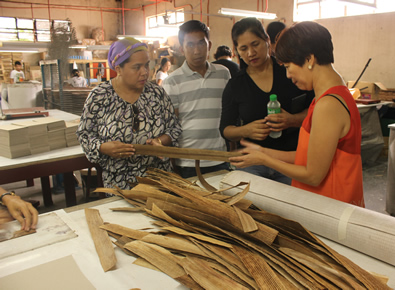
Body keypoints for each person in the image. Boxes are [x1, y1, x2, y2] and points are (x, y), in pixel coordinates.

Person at [229, 21, 364, 206]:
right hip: (325, 204)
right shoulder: (330, 96)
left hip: (329, 207)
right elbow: (308, 156)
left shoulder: (328, 105)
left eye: (287, 66)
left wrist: (265, 159)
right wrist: (262, 151)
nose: (287, 75)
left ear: (309, 59)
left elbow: (313, 175)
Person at [77, 37, 182, 189]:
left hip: (158, 180)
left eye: (147, 65)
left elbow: (174, 128)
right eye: (137, 67)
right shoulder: (99, 96)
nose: (145, 72)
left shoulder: (156, 94)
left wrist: (160, 141)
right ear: (118, 68)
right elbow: (85, 135)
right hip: (119, 184)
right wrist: (104, 147)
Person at [220, 17, 313, 185]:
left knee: (293, 208)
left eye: (255, 44)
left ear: (267, 41)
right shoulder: (236, 85)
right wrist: (245, 130)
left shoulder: (290, 72)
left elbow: (315, 110)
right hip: (253, 162)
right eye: (243, 48)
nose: (250, 53)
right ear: (237, 51)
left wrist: (293, 120)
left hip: (291, 158)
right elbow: (225, 129)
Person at [162, 20, 231, 179]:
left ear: (209, 44)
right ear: (181, 49)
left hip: (219, 157)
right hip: (187, 162)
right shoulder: (172, 81)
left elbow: (229, 114)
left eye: (201, 43)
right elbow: (172, 125)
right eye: (190, 45)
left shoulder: (224, 74)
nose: (197, 51)